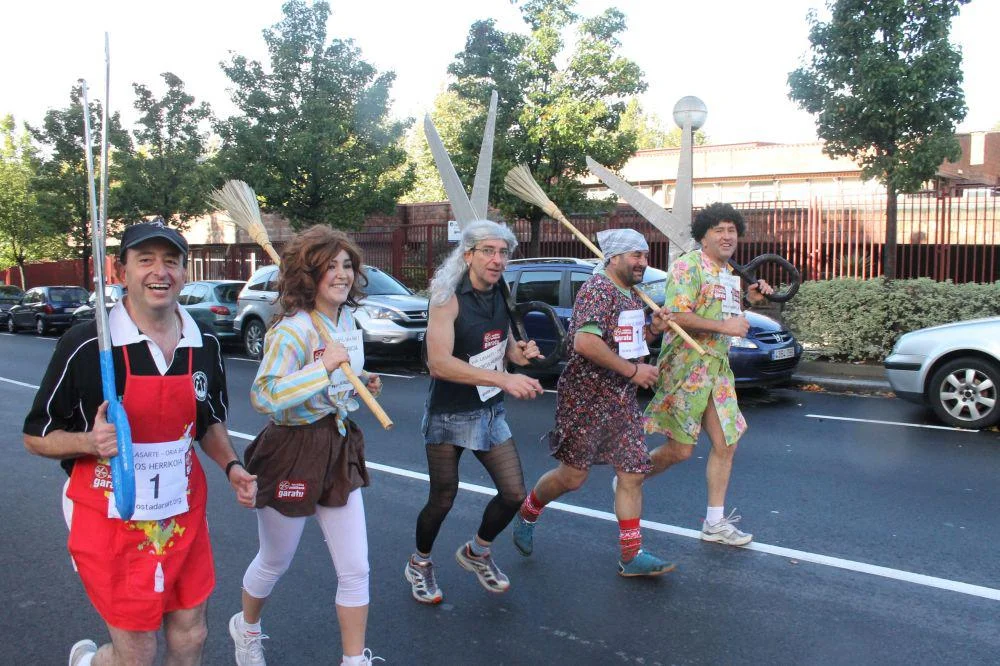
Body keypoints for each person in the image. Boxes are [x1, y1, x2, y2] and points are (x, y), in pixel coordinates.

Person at [22, 220, 257, 666]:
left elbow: (208, 422)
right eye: (145, 259)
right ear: (121, 270)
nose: (159, 272)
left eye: (171, 261)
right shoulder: (88, 344)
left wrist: (232, 467)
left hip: (180, 510)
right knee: (137, 652)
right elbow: (36, 436)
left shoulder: (204, 342)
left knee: (191, 636)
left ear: (184, 272)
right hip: (111, 513)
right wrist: (90, 441)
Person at [228, 225, 383, 666]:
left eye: (347, 265)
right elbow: (264, 396)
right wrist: (323, 370)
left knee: (356, 568)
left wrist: (359, 381)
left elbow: (337, 379)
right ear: (309, 274)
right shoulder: (291, 331)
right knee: (275, 560)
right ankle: (247, 628)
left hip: (337, 446)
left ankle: (354, 660)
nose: (342, 274)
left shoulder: (344, 321)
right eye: (330, 266)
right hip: (291, 451)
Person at [510, 228, 676, 576]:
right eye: (636, 255)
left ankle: (631, 555)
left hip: (621, 399)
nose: (643, 262)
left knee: (633, 472)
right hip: (586, 398)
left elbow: (626, 342)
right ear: (614, 258)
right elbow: (585, 343)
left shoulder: (632, 295)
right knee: (572, 477)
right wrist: (634, 371)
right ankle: (528, 511)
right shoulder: (598, 290)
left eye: (645, 256)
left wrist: (653, 330)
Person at [404, 220, 544, 604]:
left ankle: (477, 552)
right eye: (488, 251)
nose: (497, 260)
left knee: (513, 493)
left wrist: (520, 355)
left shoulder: (500, 292)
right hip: (448, 414)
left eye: (503, 252)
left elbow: (504, 346)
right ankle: (419, 563)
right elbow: (438, 363)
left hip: (488, 411)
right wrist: (504, 380)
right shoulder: (446, 299)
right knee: (442, 499)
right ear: (468, 255)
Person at [643, 203, 773, 546]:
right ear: (703, 236)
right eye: (719, 230)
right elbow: (676, 316)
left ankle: (715, 523)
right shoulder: (687, 266)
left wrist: (748, 300)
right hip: (686, 368)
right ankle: (632, 475)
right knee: (680, 451)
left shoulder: (728, 273)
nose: (727, 236)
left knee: (727, 442)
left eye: (732, 230)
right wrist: (725, 327)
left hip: (717, 369)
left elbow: (725, 316)